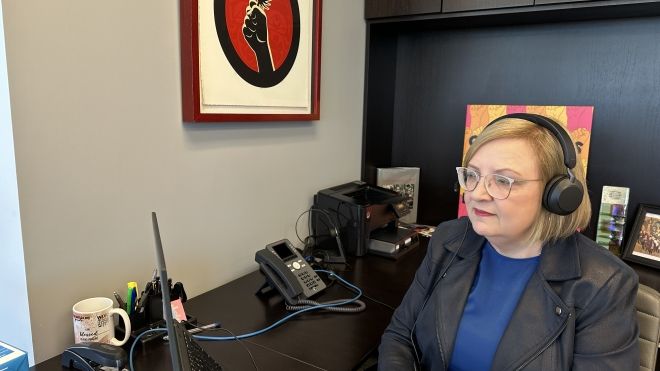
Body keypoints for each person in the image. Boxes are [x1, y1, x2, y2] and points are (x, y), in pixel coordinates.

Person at [378, 113, 639, 370]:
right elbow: (400, 336)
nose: (476, 194)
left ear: (557, 194)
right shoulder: (449, 239)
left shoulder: (605, 285)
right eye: (472, 175)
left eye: (502, 181)